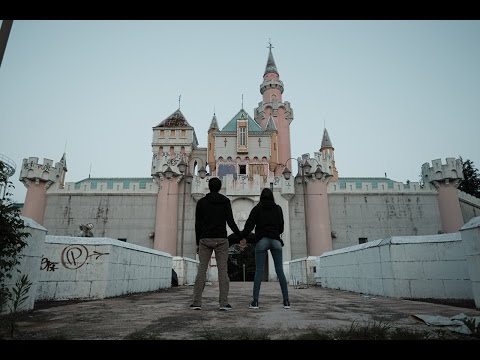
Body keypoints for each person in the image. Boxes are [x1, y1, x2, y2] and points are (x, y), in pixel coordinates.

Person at [191, 177, 243, 311]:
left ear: (209, 186)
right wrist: (241, 235)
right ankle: (223, 303)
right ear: (220, 187)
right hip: (221, 239)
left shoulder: (201, 202)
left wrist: (198, 242)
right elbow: (230, 221)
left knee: (202, 270)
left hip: (205, 239)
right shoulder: (225, 201)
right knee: (223, 271)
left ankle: (197, 302)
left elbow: (198, 224)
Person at [241, 187, 290, 309]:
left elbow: (249, 225)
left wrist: (241, 236)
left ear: (261, 197)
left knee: (259, 271)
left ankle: (255, 301)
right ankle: (286, 301)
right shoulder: (278, 208)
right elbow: (281, 227)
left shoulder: (257, 209)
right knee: (280, 271)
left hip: (262, 241)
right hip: (276, 241)